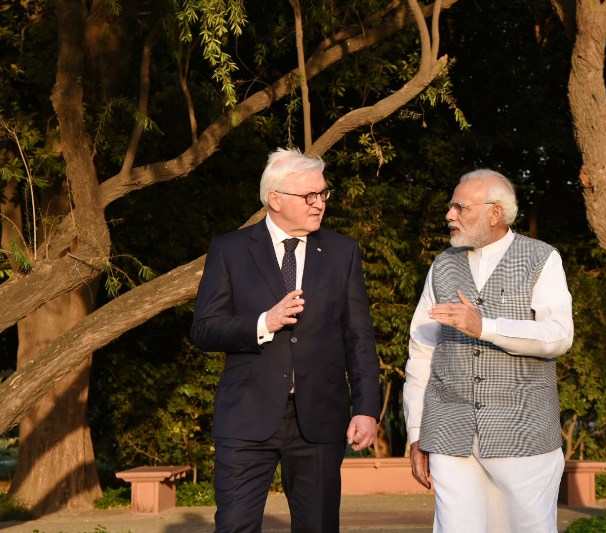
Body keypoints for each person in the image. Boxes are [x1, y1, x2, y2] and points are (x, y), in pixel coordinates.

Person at [191, 147, 380, 533]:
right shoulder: (229, 249)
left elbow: (358, 336)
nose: (319, 203)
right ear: (274, 199)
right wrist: (264, 321)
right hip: (246, 416)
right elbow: (205, 328)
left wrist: (366, 407)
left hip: (320, 418)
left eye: (323, 193)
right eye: (308, 196)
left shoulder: (343, 251)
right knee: (235, 527)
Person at [403, 169, 574, 533]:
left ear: (494, 213)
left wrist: (486, 327)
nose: (449, 215)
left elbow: (558, 335)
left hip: (523, 432)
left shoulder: (541, 258)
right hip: (449, 431)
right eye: (451, 207)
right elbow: (421, 351)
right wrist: (417, 431)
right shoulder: (442, 265)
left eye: (460, 207)